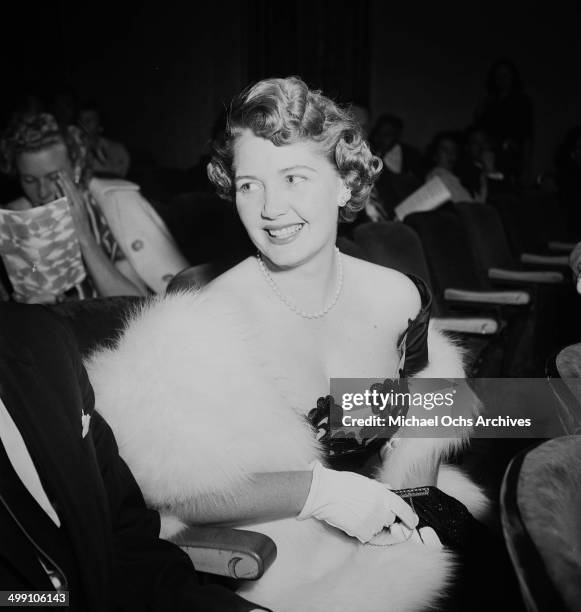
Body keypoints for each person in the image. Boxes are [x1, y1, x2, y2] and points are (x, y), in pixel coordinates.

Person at [86, 77, 504, 612]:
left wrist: (416, 500)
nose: (270, 208)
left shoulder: (396, 296)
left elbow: (415, 411)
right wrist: (321, 493)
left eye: (294, 178)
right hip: (283, 551)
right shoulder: (206, 320)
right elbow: (166, 491)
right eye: (249, 184)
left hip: (389, 518)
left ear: (345, 186)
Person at [0, 303, 268, 611]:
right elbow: (178, 496)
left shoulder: (37, 337)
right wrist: (315, 493)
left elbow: (339, 448)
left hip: (327, 533)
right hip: (266, 537)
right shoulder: (224, 304)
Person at [0, 113, 189, 303]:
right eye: (29, 180)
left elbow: (132, 301)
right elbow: (29, 275)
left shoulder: (104, 210)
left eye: (53, 177)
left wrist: (85, 237)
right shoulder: (16, 220)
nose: (42, 192)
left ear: (76, 169)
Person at [474, 59, 534, 187]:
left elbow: (527, 136)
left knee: (508, 191)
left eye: (506, 75)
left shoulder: (522, 101)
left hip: (510, 157)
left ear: (513, 77)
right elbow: (478, 130)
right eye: (498, 75)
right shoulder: (489, 101)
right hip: (488, 156)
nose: (502, 79)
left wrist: (526, 168)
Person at [77, 104, 131, 178]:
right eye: (81, 120)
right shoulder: (72, 149)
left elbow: (117, 177)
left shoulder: (117, 149)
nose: (84, 124)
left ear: (100, 124)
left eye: (89, 120)